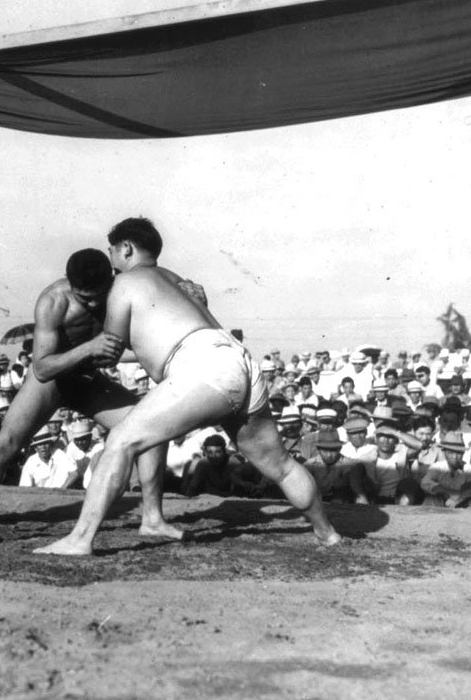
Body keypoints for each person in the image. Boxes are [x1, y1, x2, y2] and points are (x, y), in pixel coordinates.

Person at [36, 217, 340, 556]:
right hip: (237, 360)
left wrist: (71, 356)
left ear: (126, 248)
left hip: (201, 367)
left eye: (111, 251)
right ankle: (327, 533)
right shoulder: (178, 281)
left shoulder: (125, 283)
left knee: (122, 439)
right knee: (279, 464)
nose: (110, 261)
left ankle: (79, 540)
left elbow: (109, 350)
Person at [0, 247, 194, 550]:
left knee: (151, 428)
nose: (91, 304)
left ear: (111, 279)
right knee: (4, 446)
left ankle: (152, 519)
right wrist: (90, 349)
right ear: (69, 283)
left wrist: (186, 286)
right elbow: (42, 366)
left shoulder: (123, 287)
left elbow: (155, 275)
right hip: (49, 382)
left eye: (96, 296)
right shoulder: (54, 301)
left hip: (88, 382)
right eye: (83, 297)